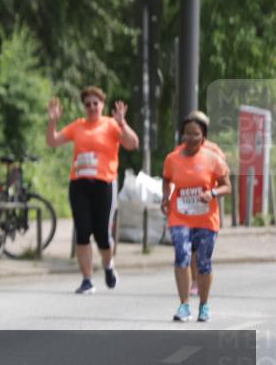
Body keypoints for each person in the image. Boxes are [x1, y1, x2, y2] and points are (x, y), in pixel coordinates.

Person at [47, 86, 139, 294]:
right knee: (82, 231)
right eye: (87, 104)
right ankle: (87, 279)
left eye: (95, 103)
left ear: (102, 105)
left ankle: (108, 266)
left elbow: (133, 143)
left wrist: (122, 123)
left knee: (102, 235)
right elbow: (52, 141)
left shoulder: (111, 125)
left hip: (104, 184)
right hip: (79, 184)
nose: (91, 107)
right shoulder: (78, 126)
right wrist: (53, 120)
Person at [161, 111, 230, 322]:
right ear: (181, 135)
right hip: (180, 216)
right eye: (187, 135)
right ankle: (183, 305)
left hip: (206, 219)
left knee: (203, 262)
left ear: (204, 137)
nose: (191, 139)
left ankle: (204, 305)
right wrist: (166, 197)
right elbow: (167, 180)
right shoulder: (172, 158)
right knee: (181, 256)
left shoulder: (213, 158)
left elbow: (227, 186)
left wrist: (213, 193)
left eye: (196, 134)